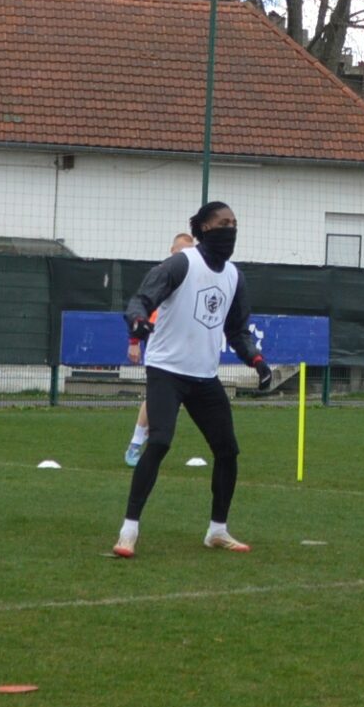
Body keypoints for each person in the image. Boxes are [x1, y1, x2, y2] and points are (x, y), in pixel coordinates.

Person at [114, 204, 272, 558]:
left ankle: (217, 530)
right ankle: (128, 530)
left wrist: (257, 360)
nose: (230, 229)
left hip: (204, 377)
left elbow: (237, 331)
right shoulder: (182, 263)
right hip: (166, 371)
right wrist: (138, 321)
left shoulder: (234, 276)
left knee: (228, 450)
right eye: (223, 224)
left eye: (234, 223)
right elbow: (140, 300)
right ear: (203, 228)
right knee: (159, 442)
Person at [124, 232, 197, 467]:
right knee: (156, 398)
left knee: (178, 400)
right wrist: (134, 342)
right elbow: (139, 307)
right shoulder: (161, 275)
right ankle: (136, 444)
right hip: (159, 345)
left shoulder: (195, 278)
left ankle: (149, 443)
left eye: (190, 252)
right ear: (172, 251)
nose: (186, 256)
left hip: (185, 347)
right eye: (182, 251)